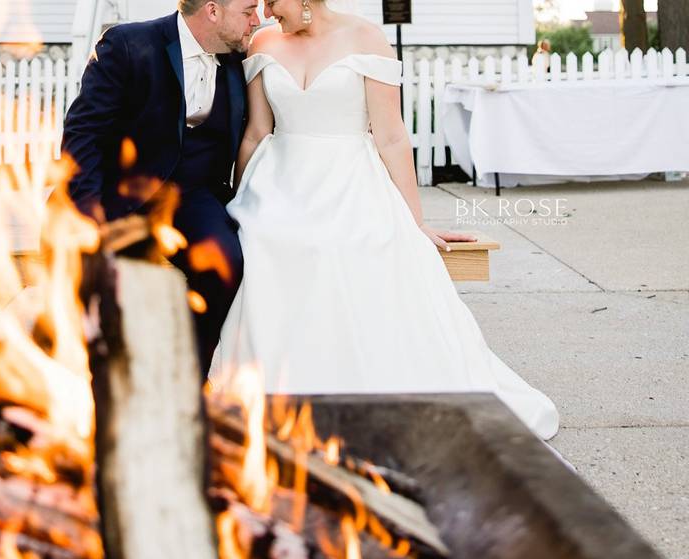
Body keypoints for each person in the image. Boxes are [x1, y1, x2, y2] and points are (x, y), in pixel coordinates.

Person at [209, 0, 560, 440]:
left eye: (272, 1)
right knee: (266, 242)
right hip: (278, 183)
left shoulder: (366, 38)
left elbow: (391, 136)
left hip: (351, 181)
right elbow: (257, 131)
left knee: (348, 243)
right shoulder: (263, 41)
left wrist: (415, 222)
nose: (263, 9)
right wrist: (241, 198)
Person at [61, 0, 260, 376]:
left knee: (227, 265)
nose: (258, 19)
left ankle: (187, 378)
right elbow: (81, 137)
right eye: (249, 10)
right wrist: (88, 217)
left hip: (194, 196)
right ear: (213, 11)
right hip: (122, 194)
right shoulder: (128, 45)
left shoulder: (239, 57)